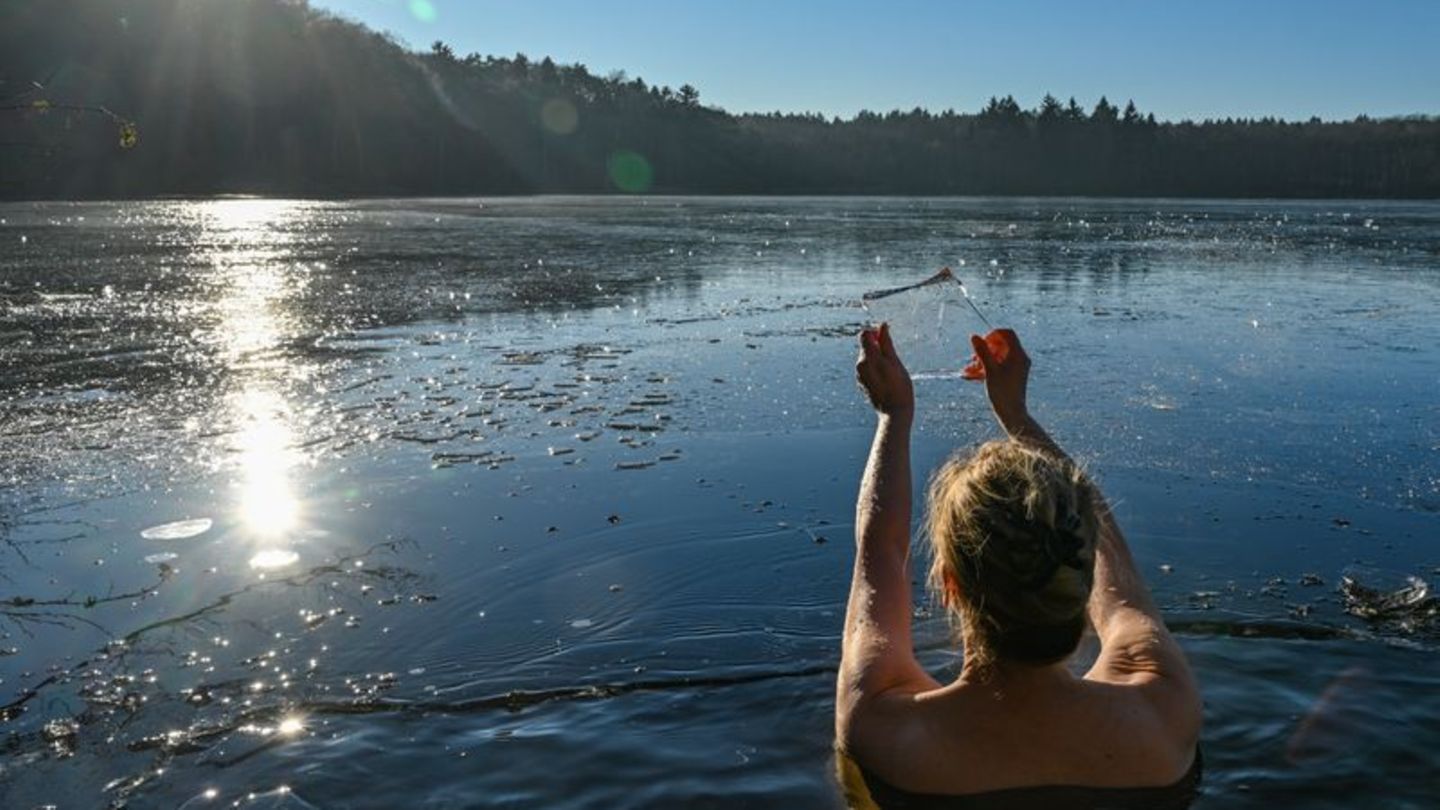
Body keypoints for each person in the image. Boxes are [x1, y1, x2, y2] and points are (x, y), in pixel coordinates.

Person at [836, 324, 1203, 809]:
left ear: (951, 586)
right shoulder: (1164, 711)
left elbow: (880, 549)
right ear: (1083, 576)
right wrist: (1016, 413)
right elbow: (1113, 562)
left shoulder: (888, 730)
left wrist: (894, 415)